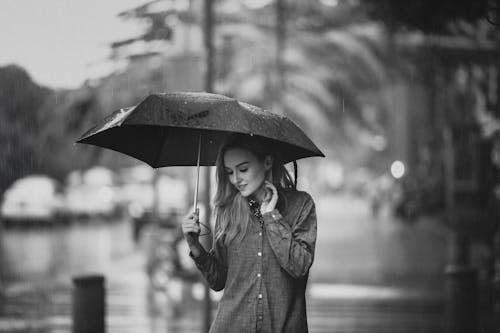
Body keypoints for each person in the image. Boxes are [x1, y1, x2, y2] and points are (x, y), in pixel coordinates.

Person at [182, 133, 317, 333]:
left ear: (267, 162)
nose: (236, 179)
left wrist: (271, 217)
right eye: (229, 172)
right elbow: (218, 281)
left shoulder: (300, 205)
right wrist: (195, 246)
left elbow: (299, 266)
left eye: (243, 169)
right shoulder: (227, 211)